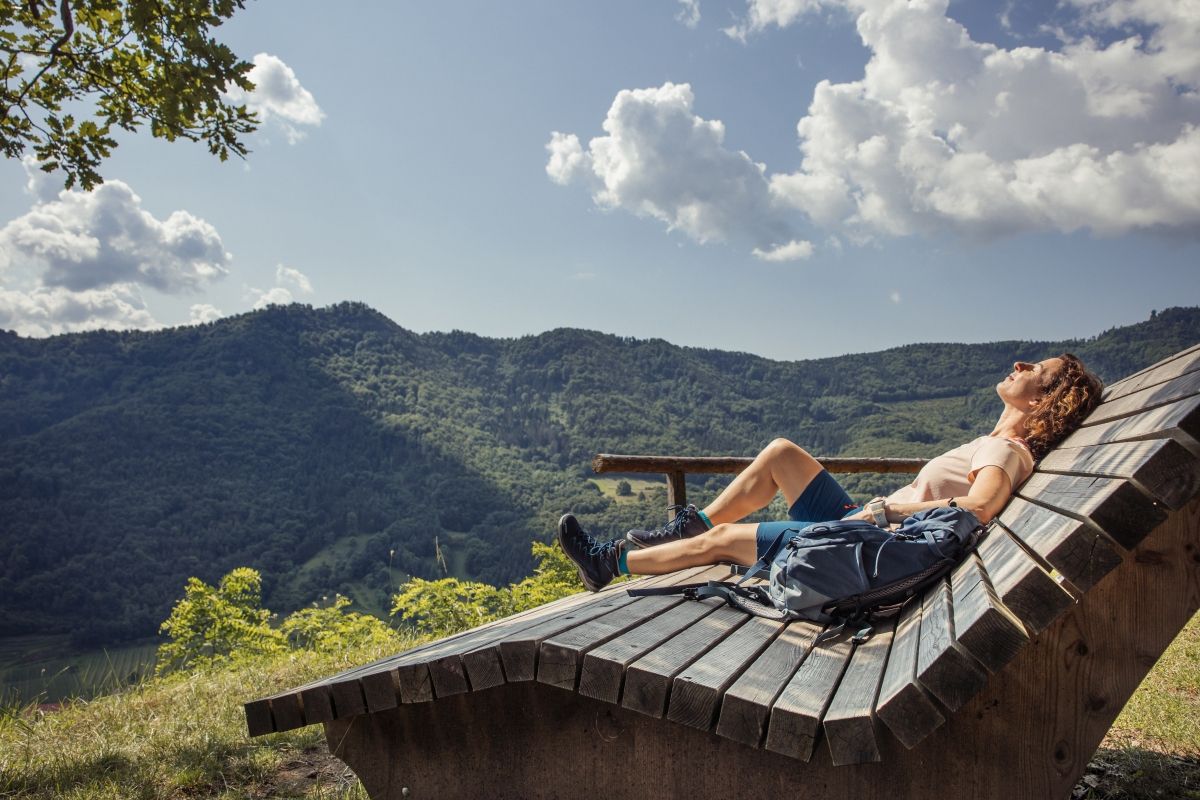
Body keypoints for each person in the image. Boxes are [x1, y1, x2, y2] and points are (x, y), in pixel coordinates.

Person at [559, 354, 1103, 592]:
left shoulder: (1007, 452)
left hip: (866, 541)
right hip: (864, 524)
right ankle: (687, 527)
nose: (1021, 365)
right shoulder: (997, 441)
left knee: (725, 542)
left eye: (1037, 371)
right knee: (780, 453)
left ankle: (610, 563)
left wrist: (890, 510)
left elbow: (981, 508)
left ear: (1045, 400)